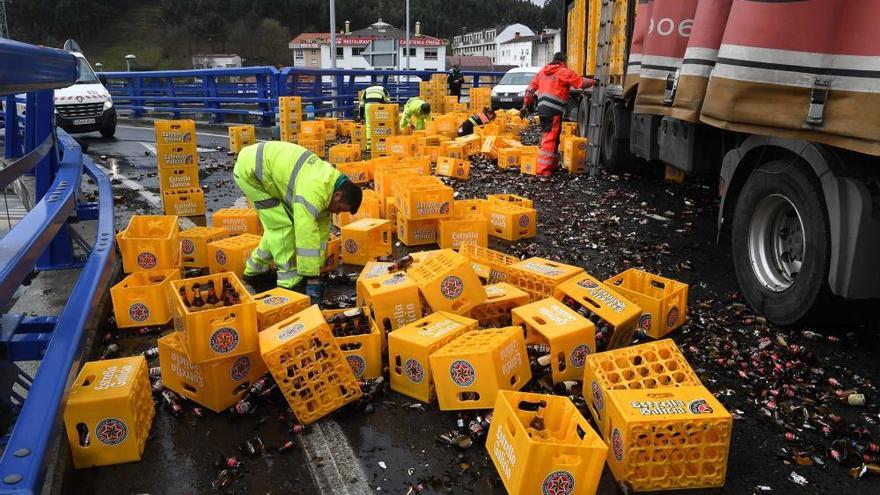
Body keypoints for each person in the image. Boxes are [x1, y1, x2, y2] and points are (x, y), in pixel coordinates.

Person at [233, 141, 363, 303]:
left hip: (266, 171)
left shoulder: (328, 189)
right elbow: (305, 231)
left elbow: (320, 233)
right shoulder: (314, 190)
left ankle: (254, 270)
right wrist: (310, 277)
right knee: (282, 226)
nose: (337, 212)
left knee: (279, 225)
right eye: (339, 208)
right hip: (252, 172)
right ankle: (288, 284)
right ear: (337, 195)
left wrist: (318, 266)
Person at [521, 52, 596, 175]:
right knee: (550, 139)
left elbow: (530, 89)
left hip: (542, 110)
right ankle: (543, 170)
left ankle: (552, 166)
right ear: (563, 61)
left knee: (553, 139)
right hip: (554, 110)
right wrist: (594, 82)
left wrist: (526, 103)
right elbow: (580, 83)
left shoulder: (542, 72)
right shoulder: (563, 72)